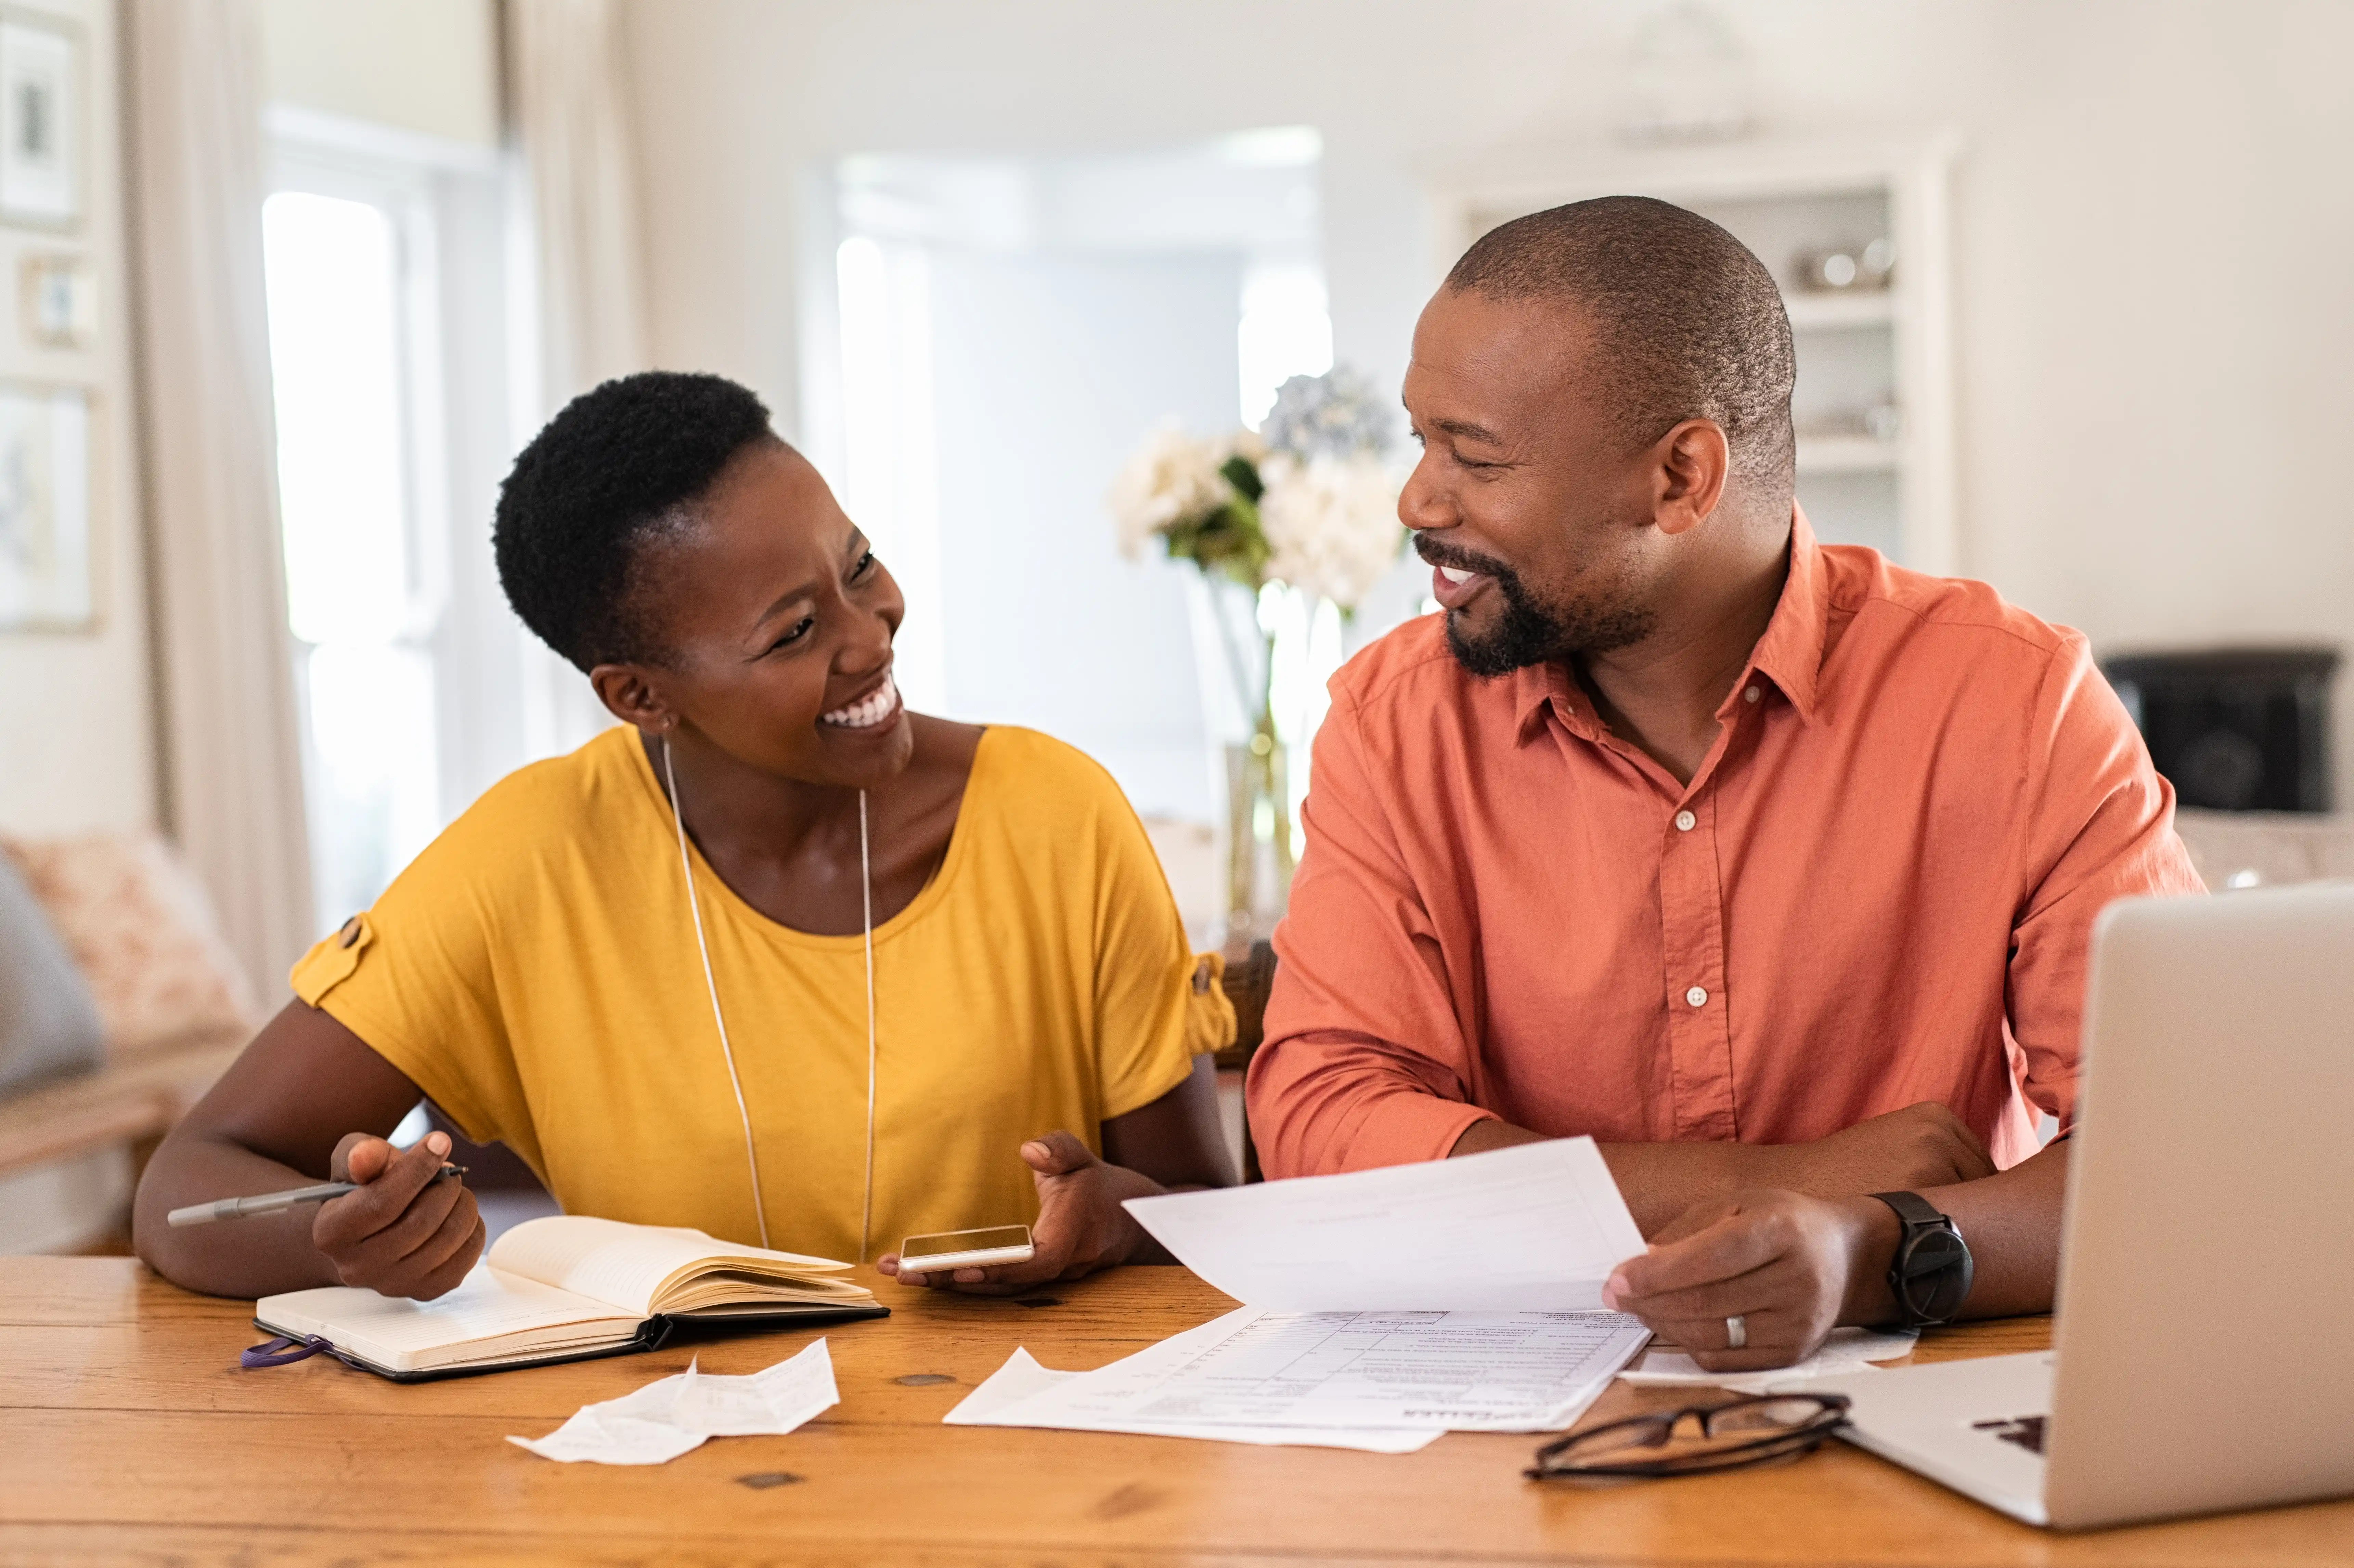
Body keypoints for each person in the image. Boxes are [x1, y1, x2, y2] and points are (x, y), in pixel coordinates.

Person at [1245, 197, 2203, 1370]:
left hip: (1919, 1402)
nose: (1418, 502)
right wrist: (1777, 1184)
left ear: (1683, 477)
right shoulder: (1394, 726)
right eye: (1421, 441)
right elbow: (1321, 1119)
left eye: (1476, 457)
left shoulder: (2015, 702)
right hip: (1506, 1427)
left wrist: (1868, 1249)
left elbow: (2178, 1146)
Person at [135, 372, 1234, 1302]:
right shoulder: (529, 859)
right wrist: (346, 1244)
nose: (872, 636)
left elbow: (1203, 1215)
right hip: (670, 1469)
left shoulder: (1056, 814)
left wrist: (1111, 1220)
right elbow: (186, 1185)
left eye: (858, 566)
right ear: (640, 697)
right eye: (796, 631)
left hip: (1030, 1467)